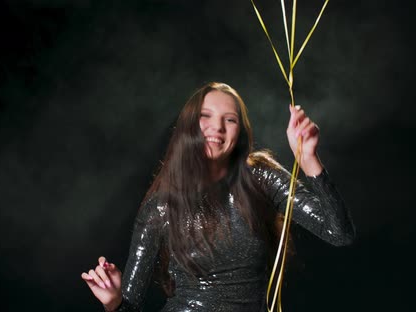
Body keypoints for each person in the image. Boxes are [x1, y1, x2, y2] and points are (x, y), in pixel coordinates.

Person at [80, 82, 355, 311]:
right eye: (205, 116)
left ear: (241, 131)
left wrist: (308, 159)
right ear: (189, 125)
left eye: (230, 119)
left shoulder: (262, 178)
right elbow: (130, 304)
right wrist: (114, 303)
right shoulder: (162, 206)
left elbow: (338, 233)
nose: (217, 127)